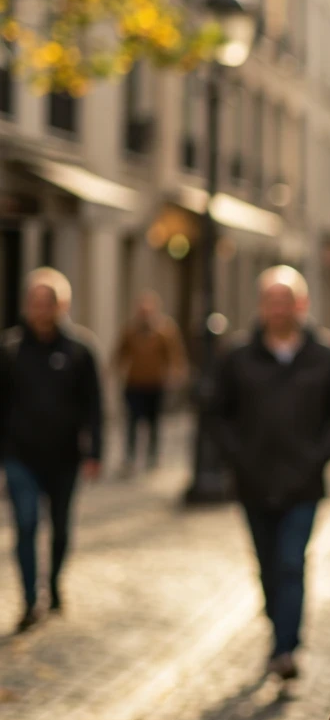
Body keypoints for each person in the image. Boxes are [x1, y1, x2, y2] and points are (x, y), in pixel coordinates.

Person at [209, 266, 330, 680]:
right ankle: (279, 625)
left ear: (300, 305)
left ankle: (285, 648)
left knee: (291, 562)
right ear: (261, 307)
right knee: (267, 565)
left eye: (285, 301)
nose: (278, 309)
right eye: (271, 301)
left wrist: (316, 456)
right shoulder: (238, 358)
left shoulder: (325, 356)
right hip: (253, 482)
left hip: (302, 484)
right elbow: (216, 414)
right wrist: (237, 456)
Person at [0, 269, 102, 632]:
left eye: (49, 303)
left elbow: (94, 405)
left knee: (60, 529)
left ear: (62, 306)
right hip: (20, 456)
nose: (41, 311)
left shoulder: (80, 350)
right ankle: (30, 599)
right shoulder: (10, 350)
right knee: (26, 524)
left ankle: (54, 584)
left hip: (64, 458)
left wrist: (96, 453)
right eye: (35, 303)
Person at [113, 290, 187, 473]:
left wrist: (176, 374)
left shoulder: (165, 331)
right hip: (134, 383)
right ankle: (130, 457)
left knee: (154, 423)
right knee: (132, 422)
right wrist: (115, 372)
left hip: (155, 384)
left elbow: (175, 355)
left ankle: (152, 456)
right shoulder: (130, 331)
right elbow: (120, 354)